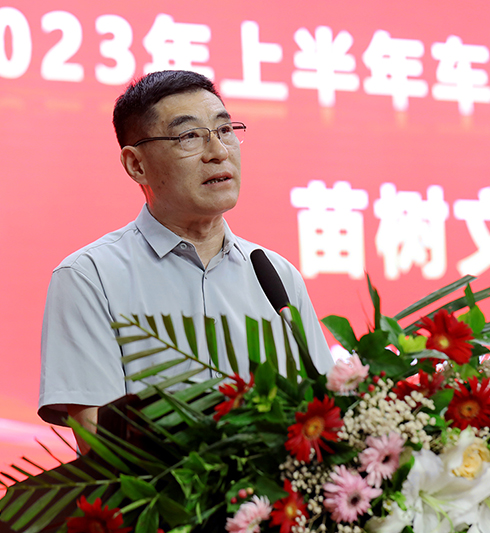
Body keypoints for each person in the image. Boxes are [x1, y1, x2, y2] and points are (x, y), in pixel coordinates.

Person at [37, 70, 333, 453]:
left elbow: (325, 411)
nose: (219, 151)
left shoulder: (276, 276)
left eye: (225, 130)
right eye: (189, 136)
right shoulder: (90, 277)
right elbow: (102, 447)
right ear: (136, 165)